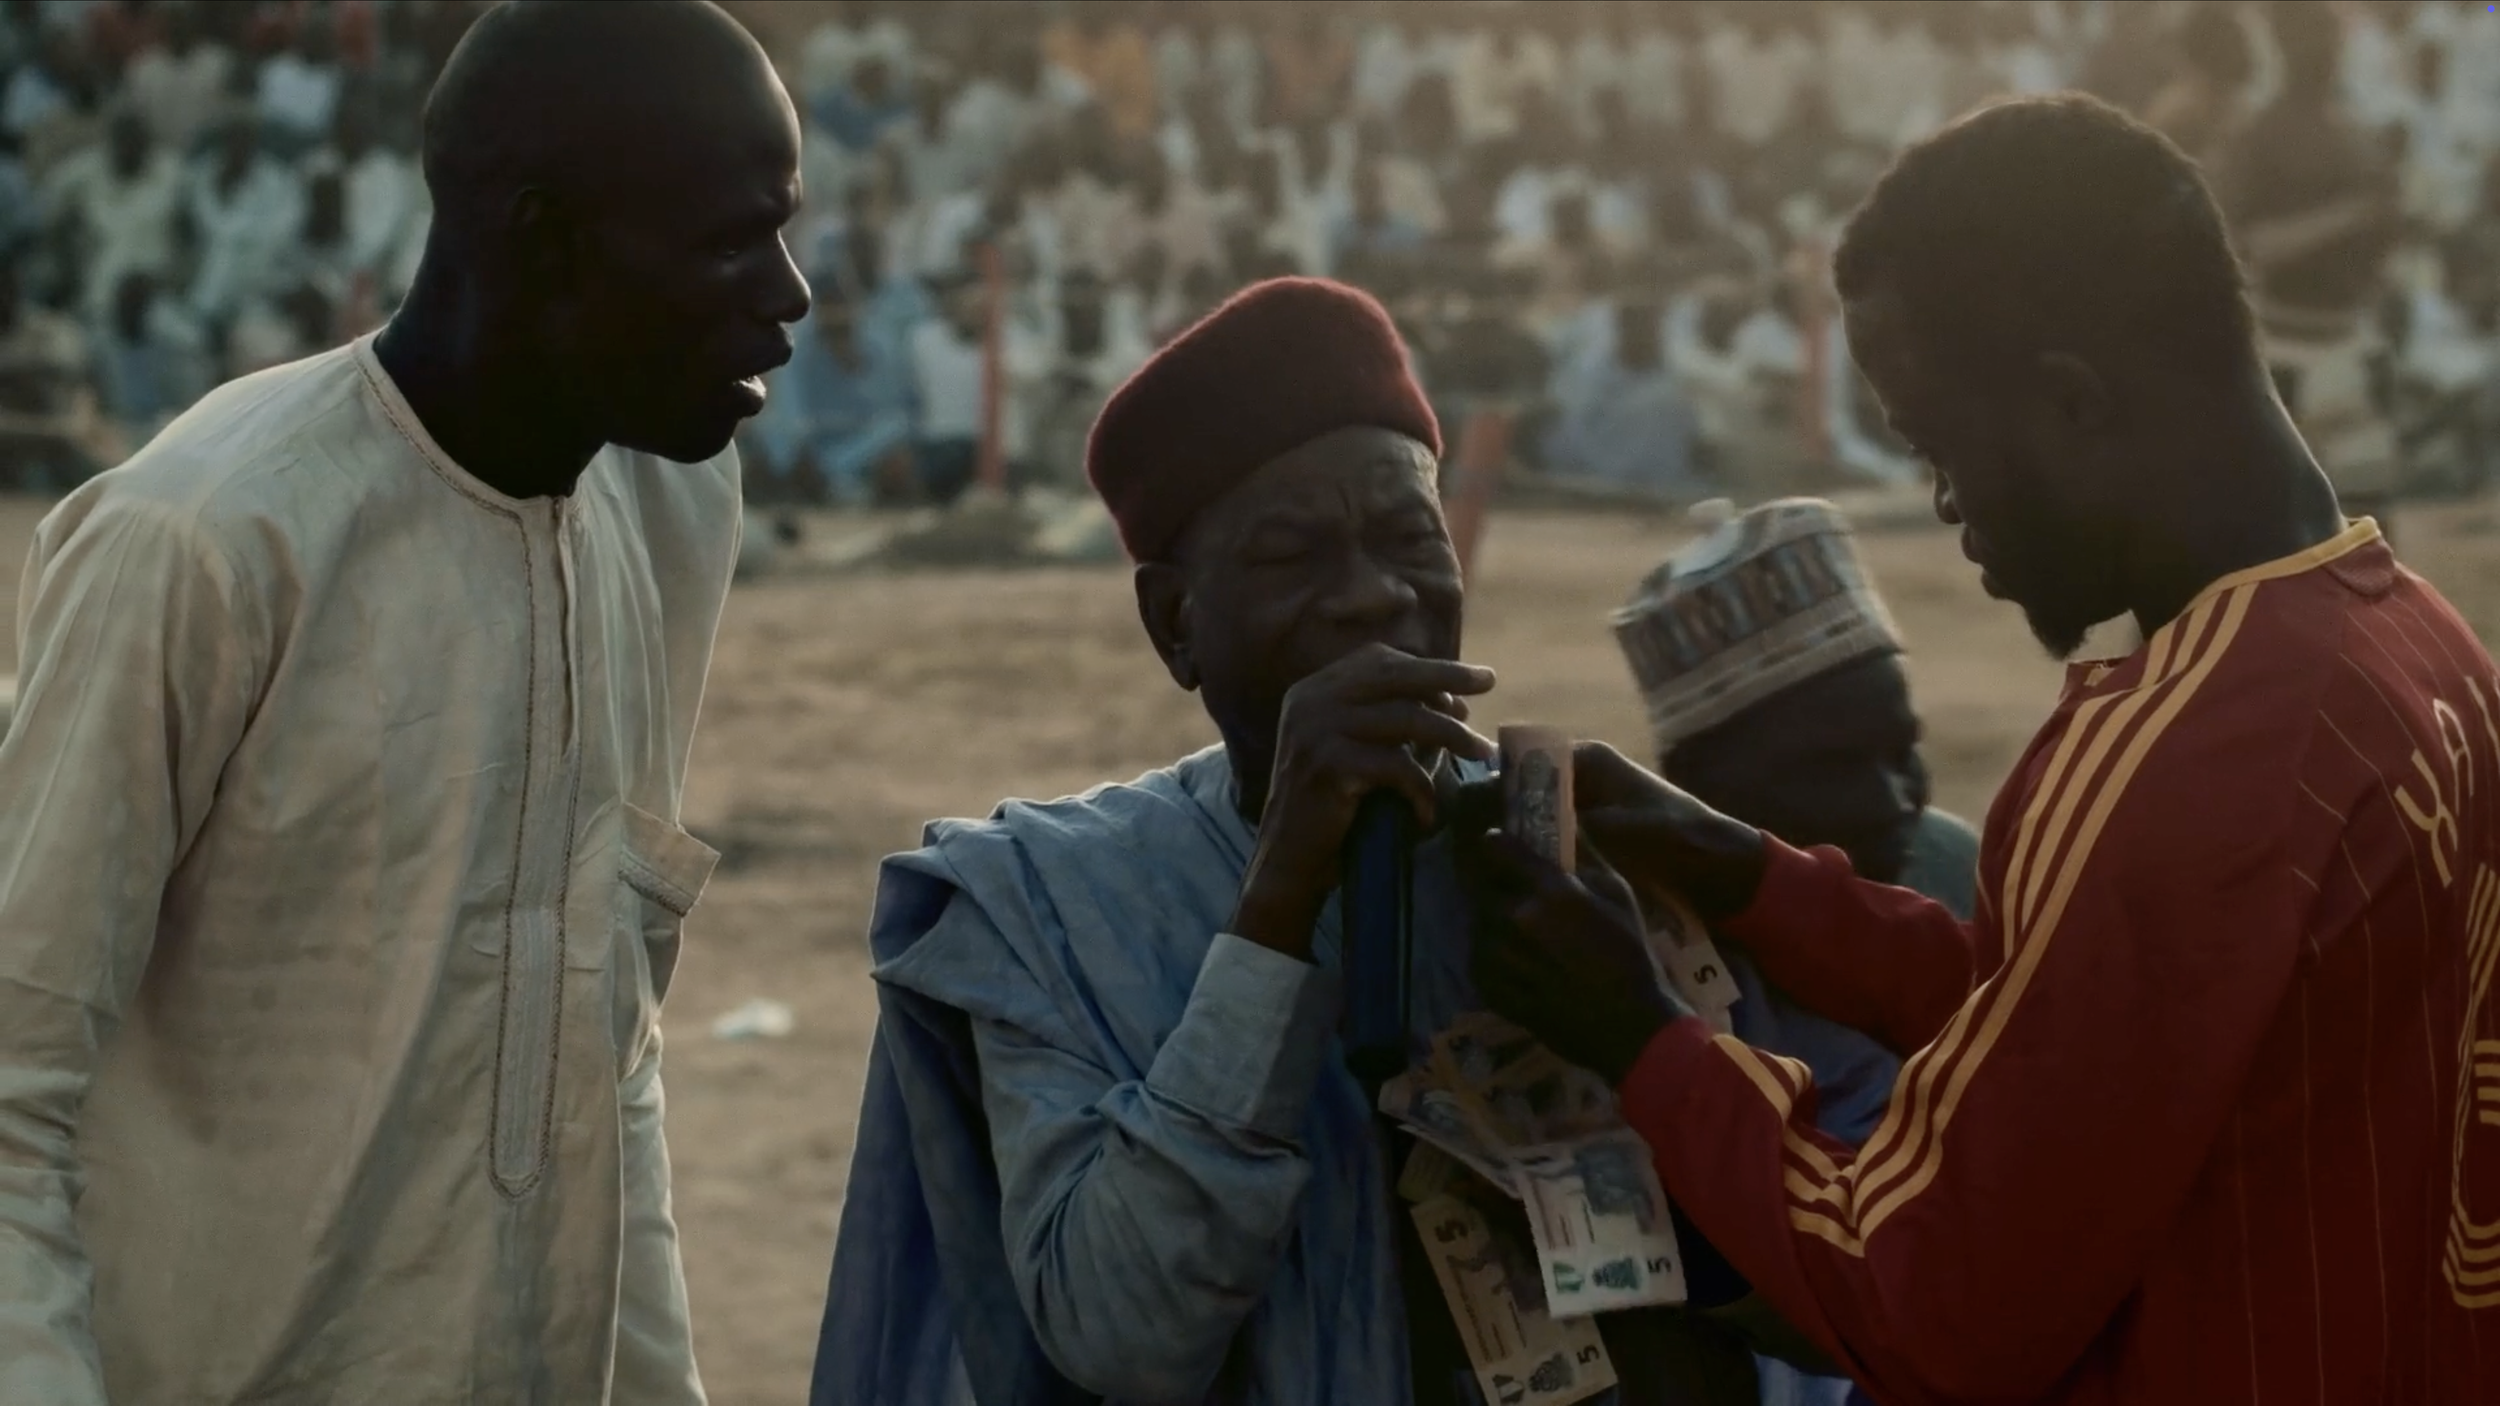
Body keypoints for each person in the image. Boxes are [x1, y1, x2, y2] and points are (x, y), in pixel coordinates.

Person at [1461, 95, 2500, 1406]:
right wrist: (1748, 873)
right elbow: (2104, 1016)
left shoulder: (2175, 740)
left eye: (1944, 451)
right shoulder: (2415, 642)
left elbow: (1932, 1305)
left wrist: (1641, 1036)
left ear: (2069, 405)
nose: (1949, 510)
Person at [0, 3, 810, 1402]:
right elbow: (12, 1086)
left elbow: (603, 1043)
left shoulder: (672, 499)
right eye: (735, 240)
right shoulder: (207, 540)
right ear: (547, 237)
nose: (791, 294)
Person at [814, 277, 1804, 1406]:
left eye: (1405, 538)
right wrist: (1278, 900)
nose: (1372, 596)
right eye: (1295, 555)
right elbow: (1124, 1336)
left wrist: (1639, 1035)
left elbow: (1837, 1284)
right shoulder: (1052, 907)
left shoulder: (1584, 852)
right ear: (1174, 622)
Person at [1613, 496, 1985, 1406]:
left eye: (1906, 750)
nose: (1893, 796)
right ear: (1696, 795)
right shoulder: (1622, 959)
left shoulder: (1950, 868)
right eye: (1832, 765)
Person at [2210, 0, 2407, 542]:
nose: (2322, 54)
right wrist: (2348, 217)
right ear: (2284, 47)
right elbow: (2250, 247)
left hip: (2348, 339)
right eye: (2310, 41)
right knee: (2255, 528)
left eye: (2328, 41)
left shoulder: (2355, 133)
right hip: (2282, 349)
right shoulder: (2259, 136)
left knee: (2370, 529)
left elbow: (2383, 240)